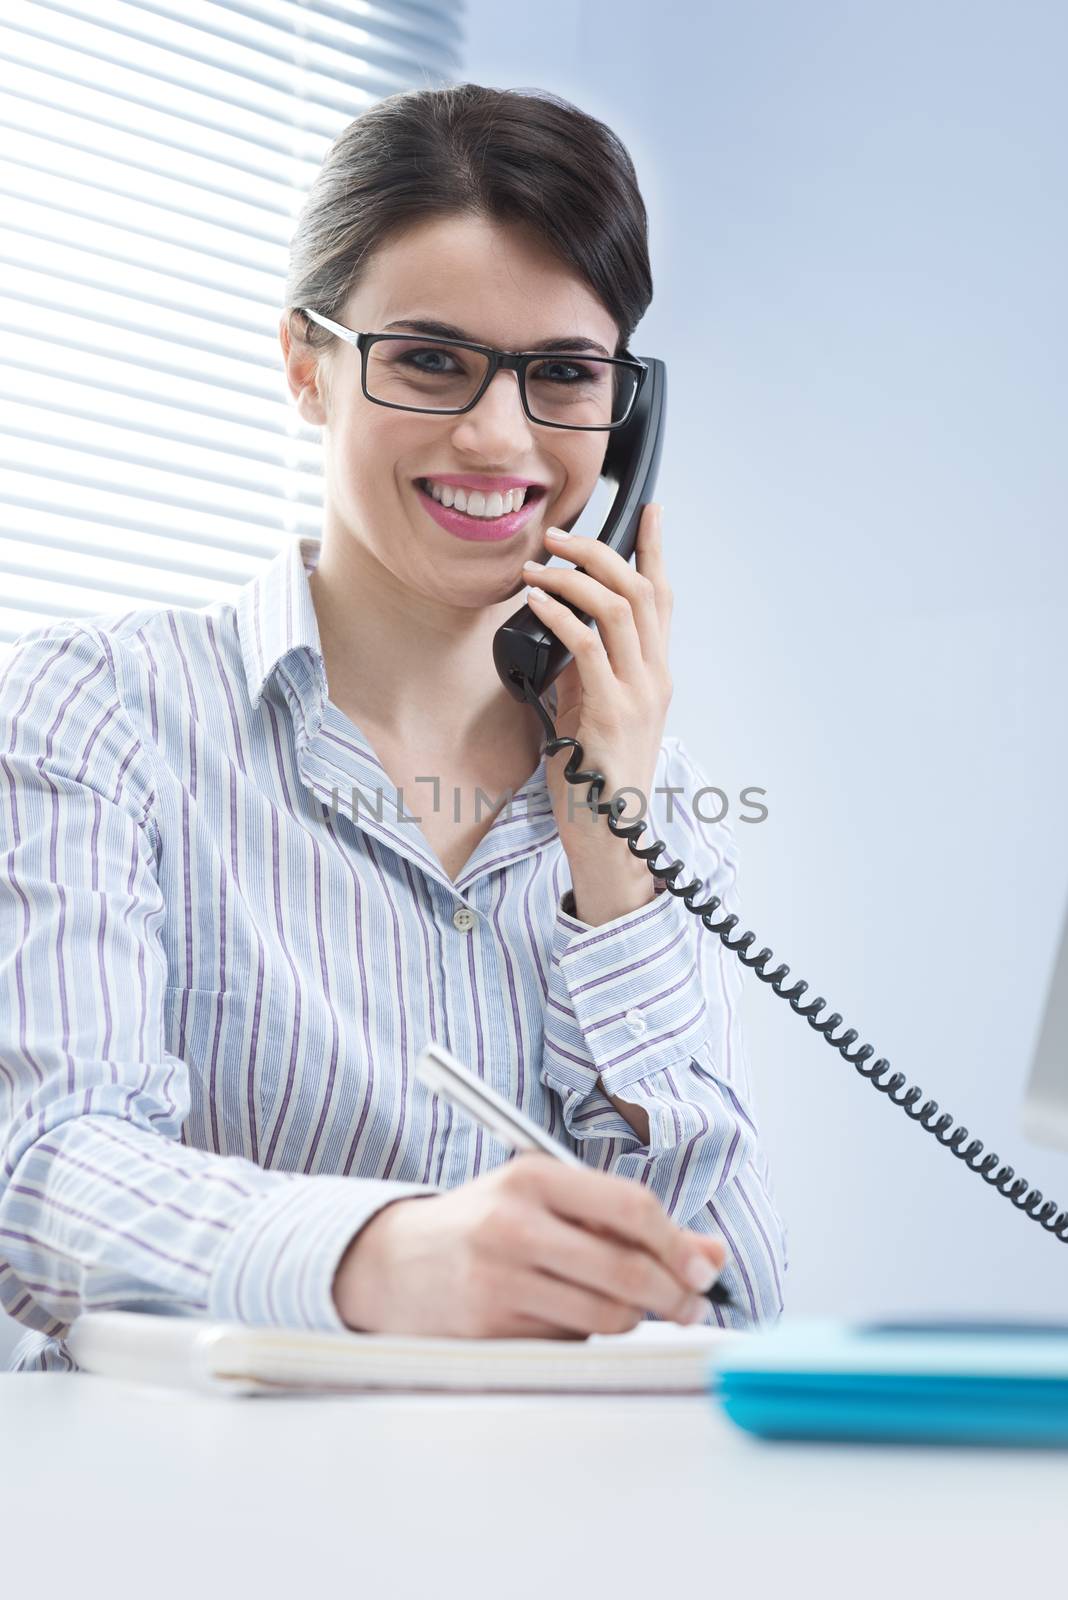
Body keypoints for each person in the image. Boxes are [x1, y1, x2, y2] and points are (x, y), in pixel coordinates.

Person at [0, 84, 786, 1372]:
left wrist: (615, 868)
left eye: (564, 376)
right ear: (308, 367)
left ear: (626, 414)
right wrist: (383, 1255)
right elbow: (39, 1179)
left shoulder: (650, 800)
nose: (497, 436)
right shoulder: (99, 715)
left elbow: (725, 1303)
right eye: (429, 359)